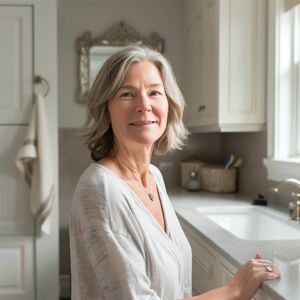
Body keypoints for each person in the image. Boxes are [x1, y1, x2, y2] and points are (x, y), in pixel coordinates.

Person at [69, 45, 280, 300]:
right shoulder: (100, 190)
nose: (144, 105)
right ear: (106, 108)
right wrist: (233, 290)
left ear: (169, 104)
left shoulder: (154, 177)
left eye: (154, 92)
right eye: (127, 94)